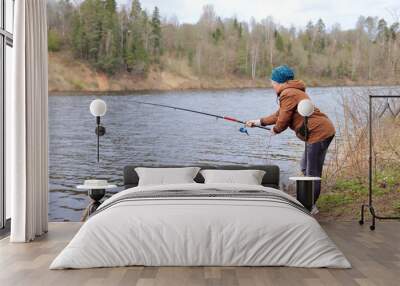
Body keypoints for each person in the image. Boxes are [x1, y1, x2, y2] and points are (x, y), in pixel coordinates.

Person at [246, 65, 335, 214]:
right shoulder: (292, 92)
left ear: (280, 82)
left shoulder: (288, 93)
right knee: (305, 166)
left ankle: (309, 207)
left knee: (312, 173)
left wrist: (276, 129)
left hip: (318, 133)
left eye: (273, 82)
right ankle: (308, 202)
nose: (271, 85)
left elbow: (283, 119)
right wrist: (258, 122)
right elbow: (278, 115)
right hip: (318, 132)